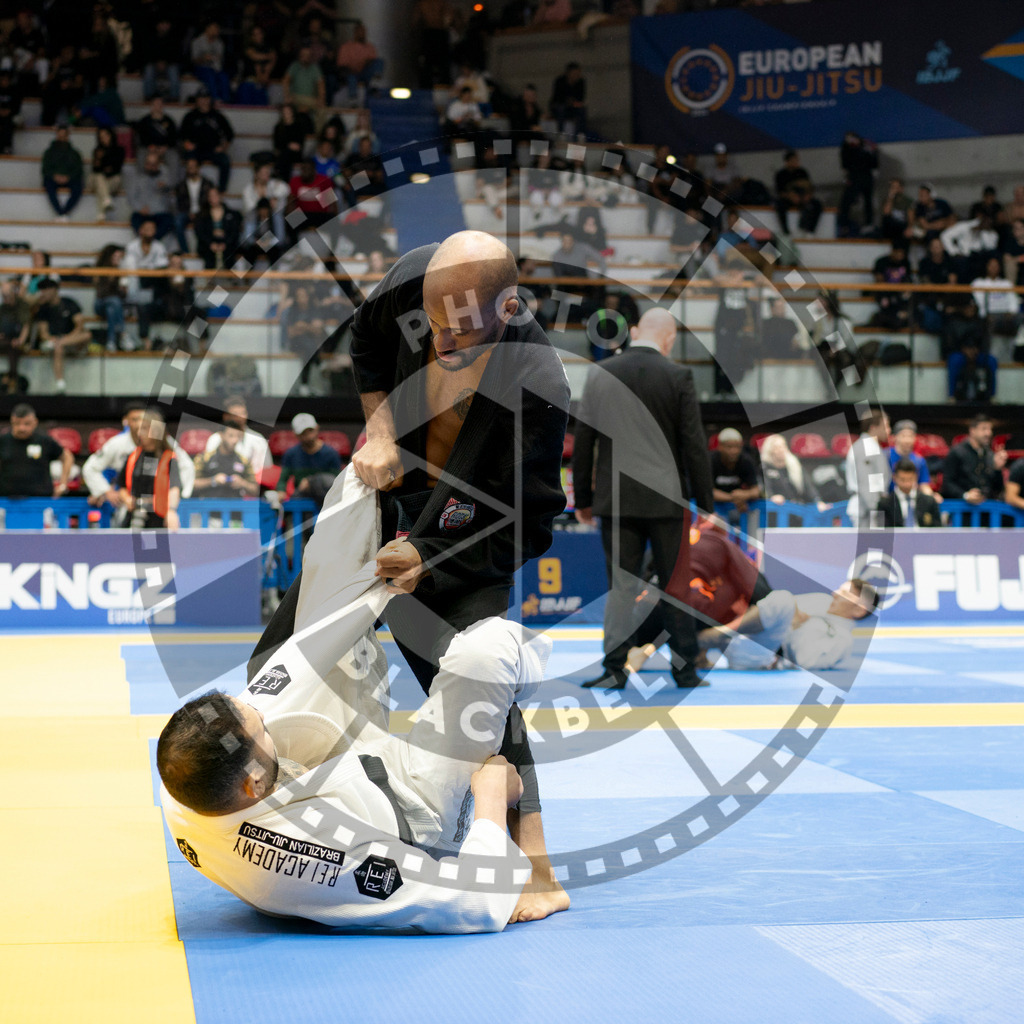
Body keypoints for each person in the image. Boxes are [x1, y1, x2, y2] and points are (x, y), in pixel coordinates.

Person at [254, 230, 571, 922]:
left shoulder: (537, 380)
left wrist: (433, 555)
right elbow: (367, 348)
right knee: (291, 641)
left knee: (474, 676)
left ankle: (539, 869)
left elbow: (531, 520)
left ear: (509, 308)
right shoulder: (408, 282)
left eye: (461, 332)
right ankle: (260, 782)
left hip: (468, 528)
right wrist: (379, 432)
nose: (439, 341)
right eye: (431, 324)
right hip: (388, 487)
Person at [158, 471, 549, 931]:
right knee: (489, 651)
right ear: (254, 782)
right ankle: (524, 670)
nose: (262, 717)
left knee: (351, 496)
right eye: (259, 729)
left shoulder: (190, 769)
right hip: (412, 809)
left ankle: (375, 476)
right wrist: (489, 801)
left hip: (331, 769)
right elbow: (474, 905)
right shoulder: (316, 853)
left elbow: (298, 664)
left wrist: (374, 591)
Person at [571, 307, 714, 690]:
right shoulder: (678, 375)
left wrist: (582, 498)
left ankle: (614, 669)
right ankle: (685, 671)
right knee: (675, 586)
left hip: (616, 499)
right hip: (668, 501)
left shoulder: (602, 373)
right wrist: (707, 505)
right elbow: (694, 446)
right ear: (668, 338)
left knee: (622, 587)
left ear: (634, 332)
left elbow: (583, 441)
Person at [698, 578, 879, 671]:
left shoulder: (842, 640)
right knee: (727, 586)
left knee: (783, 598)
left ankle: (716, 635)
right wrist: (792, 616)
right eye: (839, 589)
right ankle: (700, 649)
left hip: (763, 658)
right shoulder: (822, 600)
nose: (835, 594)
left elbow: (804, 662)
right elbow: (773, 611)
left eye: (844, 593)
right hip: (749, 636)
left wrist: (794, 627)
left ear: (859, 610)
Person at [83, 401, 195, 506]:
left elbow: (187, 466)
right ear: (126, 421)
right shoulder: (117, 443)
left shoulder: (165, 443)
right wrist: (105, 491)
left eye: (142, 420)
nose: (138, 424)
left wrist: (180, 498)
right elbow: (90, 468)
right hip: (129, 504)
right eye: (134, 419)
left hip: (162, 505)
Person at [115, 407, 182, 530]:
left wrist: (171, 511)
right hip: (135, 516)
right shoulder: (132, 456)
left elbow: (174, 489)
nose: (140, 432)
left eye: (145, 428)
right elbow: (122, 486)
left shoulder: (168, 458)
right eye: (140, 428)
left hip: (159, 517)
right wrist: (126, 499)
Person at [0, 403, 74, 497]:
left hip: (41, 499)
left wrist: (63, 485)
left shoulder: (44, 440)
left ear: (35, 422)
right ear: (12, 422)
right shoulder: (3, 441)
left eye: (27, 423)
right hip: (7, 500)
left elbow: (67, 457)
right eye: (17, 423)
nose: (22, 428)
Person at [34, 277, 91, 393]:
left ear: (54, 290)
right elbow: (43, 333)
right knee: (58, 348)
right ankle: (60, 383)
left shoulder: (69, 303)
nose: (43, 293)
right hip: (54, 342)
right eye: (41, 290)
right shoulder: (43, 309)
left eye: (45, 289)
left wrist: (66, 338)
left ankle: (59, 343)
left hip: (70, 340)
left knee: (87, 335)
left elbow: (79, 326)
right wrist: (53, 339)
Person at [121, 218, 169, 351]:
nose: (150, 232)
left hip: (152, 284)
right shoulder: (132, 246)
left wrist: (147, 271)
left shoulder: (159, 246)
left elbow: (162, 267)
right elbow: (130, 268)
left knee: (158, 282)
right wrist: (146, 270)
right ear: (140, 230)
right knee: (132, 278)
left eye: (152, 229)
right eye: (147, 229)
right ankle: (131, 304)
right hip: (135, 282)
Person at [940, 413, 1006, 503]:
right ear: (972, 430)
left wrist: (997, 469)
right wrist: (965, 495)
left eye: (990, 429)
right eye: (984, 429)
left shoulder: (990, 454)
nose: (988, 433)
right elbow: (947, 484)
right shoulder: (957, 452)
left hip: (986, 509)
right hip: (961, 509)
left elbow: (997, 489)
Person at [275, 413, 342, 500]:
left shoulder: (331, 453)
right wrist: (281, 491)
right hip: (301, 497)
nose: (309, 436)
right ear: (296, 435)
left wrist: (310, 482)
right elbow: (282, 480)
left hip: (327, 498)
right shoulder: (291, 454)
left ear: (317, 428)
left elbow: (337, 481)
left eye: (310, 430)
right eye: (303, 433)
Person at [202, 397, 272, 480]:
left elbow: (266, 471)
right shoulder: (215, 439)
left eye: (243, 413)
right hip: (219, 486)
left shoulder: (258, 439)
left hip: (250, 487)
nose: (241, 418)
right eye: (235, 414)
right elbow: (208, 468)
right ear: (226, 417)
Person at [179, 89, 234, 193]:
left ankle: (221, 190)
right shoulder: (190, 116)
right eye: (201, 98)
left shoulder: (217, 116)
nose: (203, 101)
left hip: (213, 150)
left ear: (209, 100)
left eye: (206, 98)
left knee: (225, 161)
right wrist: (186, 144)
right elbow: (181, 135)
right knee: (188, 160)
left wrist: (223, 147)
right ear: (197, 100)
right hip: (195, 150)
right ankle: (187, 188)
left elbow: (230, 134)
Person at [845, 408, 890, 526]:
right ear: (873, 427)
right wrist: (874, 510)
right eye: (885, 426)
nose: (888, 431)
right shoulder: (866, 448)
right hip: (866, 510)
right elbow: (865, 483)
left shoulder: (871, 446)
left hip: (870, 509)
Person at [760, 434, 828, 510]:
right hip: (776, 509)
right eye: (776, 447)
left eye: (783, 446)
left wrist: (817, 501)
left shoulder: (794, 464)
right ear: (770, 450)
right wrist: (771, 497)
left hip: (797, 507)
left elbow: (808, 486)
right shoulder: (764, 467)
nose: (781, 450)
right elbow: (764, 488)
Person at [192, 425, 259, 498]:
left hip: (235, 505)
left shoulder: (244, 461)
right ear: (221, 435)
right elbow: (192, 484)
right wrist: (213, 481)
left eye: (238, 436)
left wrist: (242, 483)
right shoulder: (204, 458)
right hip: (208, 504)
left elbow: (255, 490)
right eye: (231, 436)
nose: (235, 440)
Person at [125, 149, 175, 240]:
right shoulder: (137, 178)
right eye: (149, 164)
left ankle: (151, 241)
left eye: (154, 164)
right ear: (145, 164)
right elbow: (131, 197)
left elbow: (172, 200)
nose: (151, 167)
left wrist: (166, 188)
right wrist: (140, 208)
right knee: (134, 218)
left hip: (160, 214)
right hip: (143, 213)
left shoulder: (165, 177)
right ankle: (146, 240)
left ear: (158, 164)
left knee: (169, 220)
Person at [876, 459, 942, 528]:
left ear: (916, 477)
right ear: (894, 478)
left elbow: (937, 530)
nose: (906, 484)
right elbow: (882, 532)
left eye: (910, 479)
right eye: (902, 480)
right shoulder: (885, 504)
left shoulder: (929, 502)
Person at [711, 428, 761, 515]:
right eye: (729, 447)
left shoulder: (746, 460)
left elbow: (756, 490)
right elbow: (707, 492)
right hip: (713, 508)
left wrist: (746, 494)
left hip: (737, 509)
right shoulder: (710, 460)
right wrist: (734, 498)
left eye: (737, 447)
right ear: (720, 446)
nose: (734, 451)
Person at [242, 160, 289, 251]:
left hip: (271, 223)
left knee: (278, 215)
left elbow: (286, 188)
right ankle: (255, 242)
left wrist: (275, 197)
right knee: (252, 215)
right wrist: (262, 205)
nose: (266, 175)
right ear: (256, 174)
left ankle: (272, 241)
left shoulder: (273, 184)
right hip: (256, 221)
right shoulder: (248, 189)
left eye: (268, 173)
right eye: (263, 173)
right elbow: (249, 208)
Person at [837, 131, 877, 236]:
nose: (851, 141)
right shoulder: (846, 148)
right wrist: (850, 147)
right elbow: (845, 164)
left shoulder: (866, 146)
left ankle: (869, 224)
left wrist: (868, 150)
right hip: (853, 178)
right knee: (846, 201)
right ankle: (844, 225)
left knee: (868, 202)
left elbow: (874, 163)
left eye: (852, 138)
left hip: (866, 177)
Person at [41, 124, 84, 221]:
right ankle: (61, 213)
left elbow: (78, 170)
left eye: (64, 136)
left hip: (70, 179)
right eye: (60, 136)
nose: (62, 139)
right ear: (56, 136)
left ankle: (63, 212)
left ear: (68, 137)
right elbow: (45, 169)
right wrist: (54, 176)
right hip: (53, 179)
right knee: (47, 183)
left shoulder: (74, 153)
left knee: (78, 186)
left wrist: (68, 177)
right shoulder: (49, 152)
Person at [774, 150, 821, 236]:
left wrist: (807, 196)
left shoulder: (802, 172)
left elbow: (809, 187)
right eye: (793, 160)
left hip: (802, 198)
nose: (796, 162)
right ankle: (785, 231)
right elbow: (780, 192)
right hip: (789, 199)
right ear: (787, 161)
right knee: (779, 205)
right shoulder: (781, 174)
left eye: (797, 160)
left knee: (817, 204)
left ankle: (810, 231)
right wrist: (791, 196)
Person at [886, 420, 938, 497]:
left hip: (910, 501)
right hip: (888, 500)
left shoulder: (919, 460)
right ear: (894, 437)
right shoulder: (885, 456)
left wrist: (932, 496)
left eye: (910, 436)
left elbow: (923, 485)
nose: (907, 440)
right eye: (903, 436)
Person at [194, 188, 242, 270]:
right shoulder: (202, 214)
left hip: (227, 242)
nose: (213, 198)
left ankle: (231, 279)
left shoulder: (232, 213)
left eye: (215, 195)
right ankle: (210, 280)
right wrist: (210, 243)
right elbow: (200, 232)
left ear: (220, 196)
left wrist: (225, 243)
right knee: (208, 254)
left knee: (230, 253)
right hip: (209, 243)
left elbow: (234, 232)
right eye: (210, 196)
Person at [335, 22, 383, 105]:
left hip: (364, 72)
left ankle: (374, 84)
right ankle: (353, 101)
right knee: (351, 77)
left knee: (379, 62)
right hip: (351, 73)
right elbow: (342, 64)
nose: (362, 34)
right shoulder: (347, 46)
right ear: (355, 32)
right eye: (360, 31)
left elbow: (373, 60)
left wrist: (366, 63)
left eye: (364, 32)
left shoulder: (369, 46)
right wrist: (353, 68)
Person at [173, 156, 213, 254]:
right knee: (177, 222)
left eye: (193, 166)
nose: (191, 169)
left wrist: (199, 213)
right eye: (189, 166)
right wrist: (188, 212)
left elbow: (209, 202)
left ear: (198, 168)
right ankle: (185, 251)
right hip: (186, 212)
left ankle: (202, 250)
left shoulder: (207, 184)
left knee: (203, 224)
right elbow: (179, 203)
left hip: (202, 212)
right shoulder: (181, 185)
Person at [93, 244, 127, 352]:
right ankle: (122, 334)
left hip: (113, 307)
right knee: (114, 301)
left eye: (119, 258)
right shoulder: (100, 270)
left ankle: (111, 341)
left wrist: (123, 290)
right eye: (115, 257)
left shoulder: (120, 272)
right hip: (100, 304)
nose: (117, 260)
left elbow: (122, 296)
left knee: (111, 309)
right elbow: (100, 293)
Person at [0, 278, 32, 392]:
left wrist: (20, 340)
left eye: (7, 296)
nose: (5, 299)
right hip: (5, 339)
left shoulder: (22, 305)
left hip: (17, 340)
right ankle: (9, 378)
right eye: (3, 296)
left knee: (13, 348)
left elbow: (26, 326)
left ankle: (11, 378)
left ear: (13, 293)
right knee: (10, 345)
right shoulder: (3, 307)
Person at [142, 16, 183, 102]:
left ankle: (174, 98)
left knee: (174, 71)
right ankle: (149, 97)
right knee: (148, 70)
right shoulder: (151, 38)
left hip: (169, 64)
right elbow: (147, 54)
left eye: (166, 24)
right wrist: (157, 62)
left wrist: (166, 63)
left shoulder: (174, 39)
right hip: (154, 64)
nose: (164, 26)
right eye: (162, 24)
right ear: (158, 26)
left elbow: (177, 55)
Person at [88, 125, 124, 219]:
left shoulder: (119, 150)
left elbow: (117, 168)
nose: (104, 139)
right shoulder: (97, 151)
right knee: (99, 177)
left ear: (111, 135)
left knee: (112, 180)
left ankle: (101, 212)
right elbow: (96, 170)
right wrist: (100, 160)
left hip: (111, 179)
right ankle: (107, 199)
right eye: (101, 137)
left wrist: (105, 169)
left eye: (106, 135)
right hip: (97, 179)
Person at [190, 21, 231, 102]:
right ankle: (215, 100)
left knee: (224, 78)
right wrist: (203, 58)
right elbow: (194, 60)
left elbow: (219, 60)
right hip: (201, 68)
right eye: (213, 29)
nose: (216, 31)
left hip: (215, 68)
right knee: (210, 76)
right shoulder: (197, 41)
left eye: (217, 29)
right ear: (207, 29)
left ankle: (226, 101)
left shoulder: (219, 43)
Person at [284, 46, 326, 126]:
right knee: (286, 109)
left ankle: (319, 135)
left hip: (310, 99)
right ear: (299, 56)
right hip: (296, 97)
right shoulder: (294, 66)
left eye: (308, 55)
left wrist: (321, 99)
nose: (305, 57)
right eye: (303, 55)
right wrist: (287, 96)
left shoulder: (315, 68)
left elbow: (321, 85)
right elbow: (286, 81)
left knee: (322, 110)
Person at [949, 339, 997, 403]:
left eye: (973, 349)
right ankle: (951, 396)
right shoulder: (960, 366)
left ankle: (992, 396)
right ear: (964, 349)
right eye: (969, 349)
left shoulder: (984, 366)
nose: (971, 352)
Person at [272, 103, 309, 183]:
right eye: (284, 112)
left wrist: (288, 146)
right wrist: (288, 145)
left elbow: (300, 145)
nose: (286, 114)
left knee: (285, 155)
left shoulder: (299, 126)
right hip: (284, 154)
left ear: (292, 112)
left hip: (295, 154)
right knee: (285, 155)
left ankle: (281, 177)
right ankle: (285, 180)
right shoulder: (278, 127)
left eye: (288, 111)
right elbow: (277, 145)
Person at [549, 62, 586, 136]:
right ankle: (561, 133)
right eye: (574, 73)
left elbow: (581, 98)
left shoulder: (581, 82)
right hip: (560, 106)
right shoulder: (560, 81)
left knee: (582, 109)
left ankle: (579, 134)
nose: (576, 75)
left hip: (573, 106)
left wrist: (573, 102)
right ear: (568, 73)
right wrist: (567, 101)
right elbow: (557, 97)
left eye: (578, 73)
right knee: (561, 108)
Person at [880, 177, 913, 246]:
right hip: (891, 228)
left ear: (901, 188)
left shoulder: (907, 201)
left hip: (902, 228)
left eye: (897, 187)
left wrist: (910, 227)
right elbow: (886, 213)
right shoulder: (887, 200)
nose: (895, 190)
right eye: (893, 187)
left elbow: (911, 216)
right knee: (887, 221)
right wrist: (891, 196)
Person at [0, 66, 24, 155]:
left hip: (11, 115)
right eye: (2, 79)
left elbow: (17, 106)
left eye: (6, 80)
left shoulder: (14, 90)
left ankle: (7, 147)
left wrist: (9, 112)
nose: (4, 82)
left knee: (9, 123)